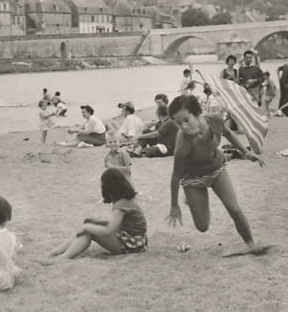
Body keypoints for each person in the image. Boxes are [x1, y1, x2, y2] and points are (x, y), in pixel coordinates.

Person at [166, 95, 267, 255]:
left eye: (187, 120)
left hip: (216, 168)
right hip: (192, 178)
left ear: (197, 113)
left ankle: (251, 244)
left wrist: (246, 152)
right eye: (179, 123)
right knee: (203, 226)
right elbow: (176, 175)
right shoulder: (183, 143)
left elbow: (229, 133)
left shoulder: (215, 120)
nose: (184, 126)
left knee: (234, 209)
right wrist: (174, 205)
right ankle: (191, 199)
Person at [48, 169, 147, 261]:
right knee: (90, 225)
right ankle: (57, 252)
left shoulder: (121, 204)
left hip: (132, 244)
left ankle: (63, 257)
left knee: (89, 231)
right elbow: (117, 224)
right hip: (135, 240)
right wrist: (97, 222)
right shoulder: (126, 199)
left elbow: (109, 230)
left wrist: (87, 227)